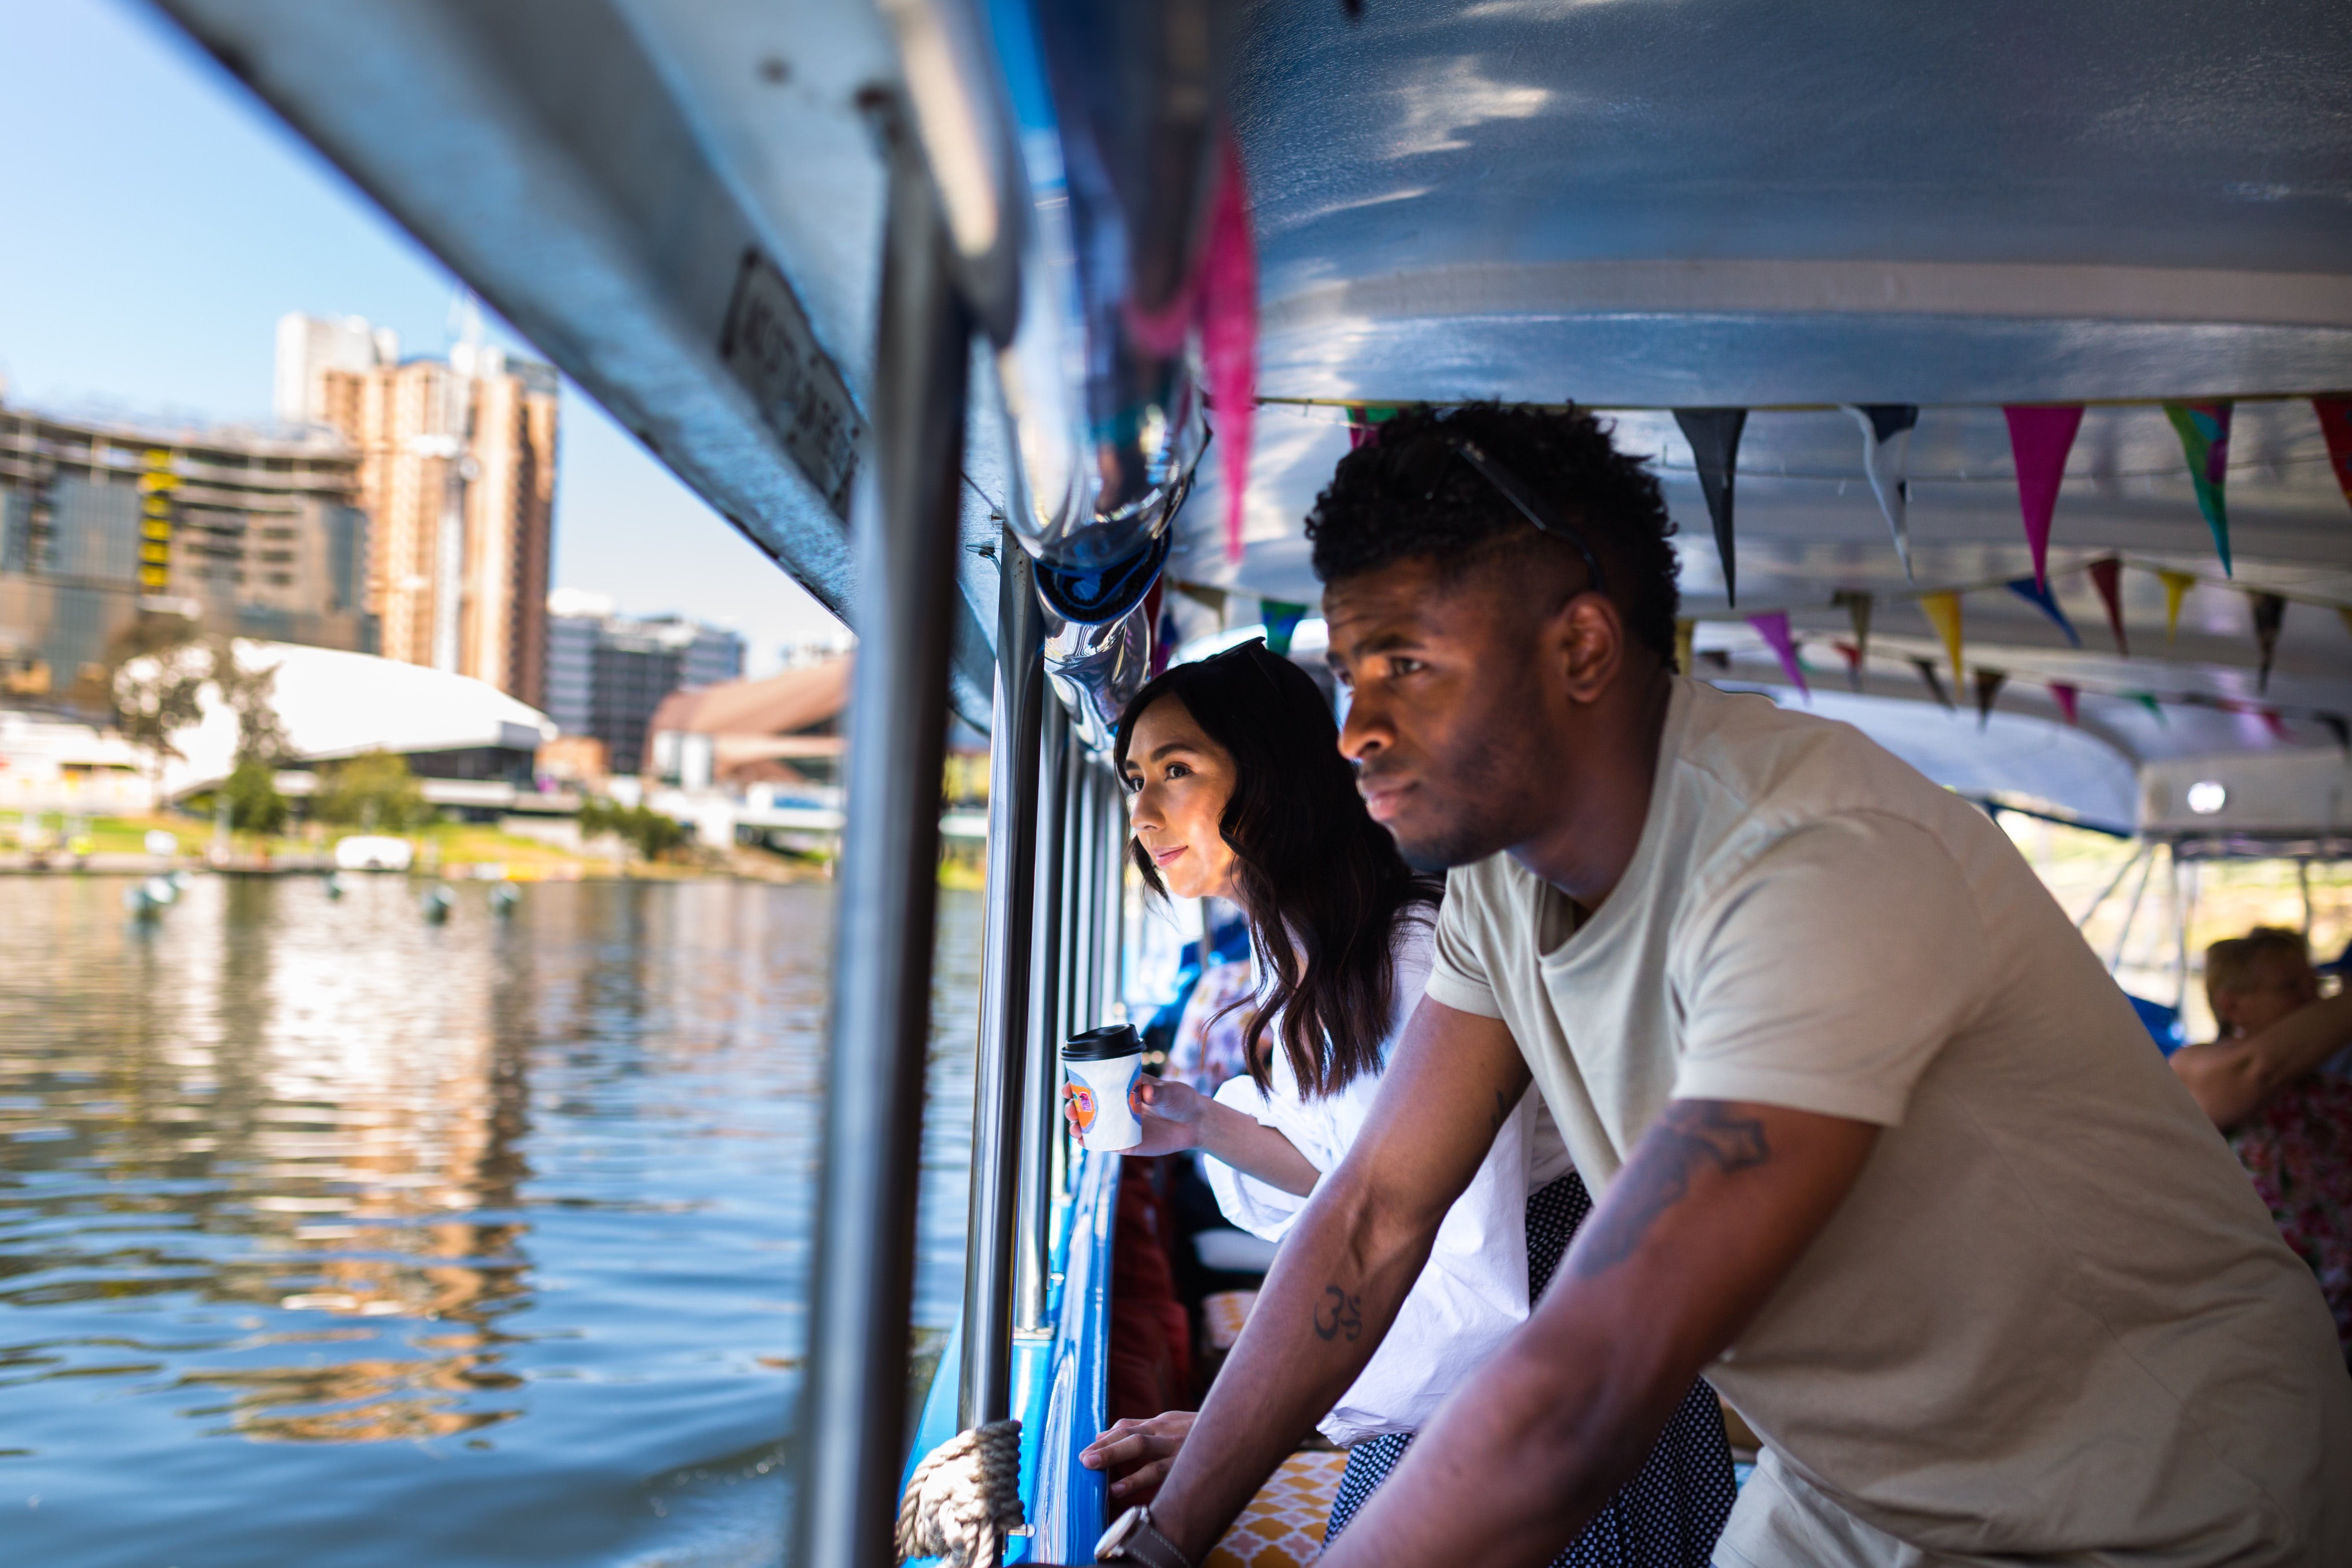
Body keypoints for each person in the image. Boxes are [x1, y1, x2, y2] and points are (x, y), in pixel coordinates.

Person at [1095, 404, 2350, 1568]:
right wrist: (1173, 1521)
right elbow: (1372, 1213)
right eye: (1348, 668)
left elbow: (1581, 1396)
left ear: (1577, 646)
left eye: (1405, 666)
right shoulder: (1496, 884)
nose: (1355, 725)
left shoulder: (1806, 864)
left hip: (2158, 1491)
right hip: (1853, 1478)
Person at [1078, 639, 1735, 1565]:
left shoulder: (1406, 954)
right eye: (1134, 777)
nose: (1142, 811)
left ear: (1268, 774)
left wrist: (1256, 1427)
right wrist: (1199, 1121)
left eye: (1176, 770)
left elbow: (1437, 1250)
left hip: (1539, 1365)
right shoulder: (1308, 943)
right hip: (1446, 1361)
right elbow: (1359, 1168)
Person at [2171, 926, 2352, 1357]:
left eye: (2316, 985)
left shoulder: (2327, 1082)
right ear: (2232, 1005)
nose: (2313, 1001)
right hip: (2270, 1314)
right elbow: (2258, 1067)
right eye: (2291, 987)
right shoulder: (2196, 1067)